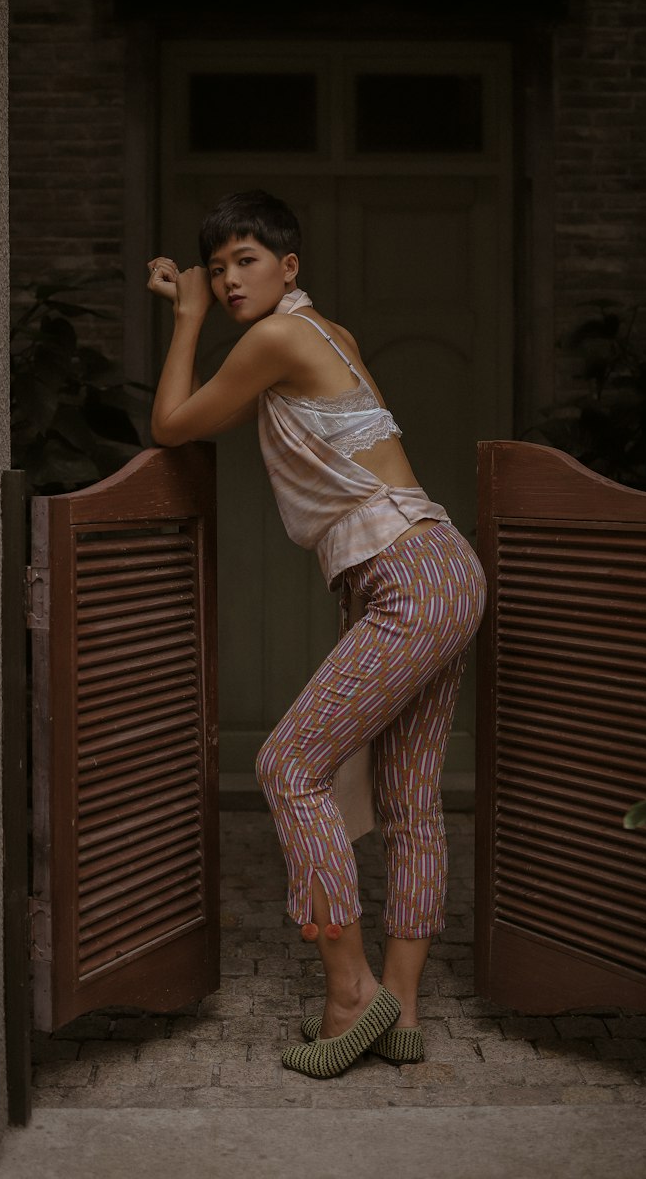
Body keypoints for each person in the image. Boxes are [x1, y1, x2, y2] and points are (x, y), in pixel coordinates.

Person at [147, 189, 486, 1079]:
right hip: (439, 564)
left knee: (286, 765)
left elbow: (172, 424)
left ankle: (350, 992)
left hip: (408, 576)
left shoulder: (275, 339)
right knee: (412, 800)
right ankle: (401, 1011)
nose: (226, 280)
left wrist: (183, 319)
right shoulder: (333, 333)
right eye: (214, 269)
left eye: (244, 261)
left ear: (288, 267)